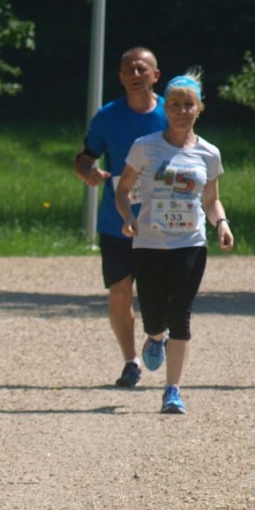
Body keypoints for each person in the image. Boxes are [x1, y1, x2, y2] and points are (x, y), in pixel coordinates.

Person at [115, 69, 234, 415]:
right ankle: (156, 337)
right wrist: (128, 217)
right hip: (149, 244)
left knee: (180, 314)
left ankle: (173, 390)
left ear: (199, 108)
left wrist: (221, 223)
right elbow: (123, 190)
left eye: (188, 105)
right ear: (165, 108)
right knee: (154, 317)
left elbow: (211, 200)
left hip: (190, 243)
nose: (182, 111)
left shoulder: (209, 153)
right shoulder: (145, 146)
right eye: (175, 105)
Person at [74, 47, 168, 389]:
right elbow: (85, 158)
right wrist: (88, 172)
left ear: (156, 75)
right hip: (117, 221)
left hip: (164, 222)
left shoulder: (171, 113)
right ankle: (131, 362)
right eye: (129, 69)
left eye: (142, 69)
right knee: (119, 292)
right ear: (120, 77)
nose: (136, 74)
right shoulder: (107, 117)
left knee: (159, 294)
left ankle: (157, 336)